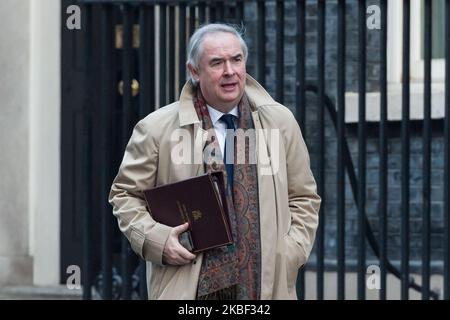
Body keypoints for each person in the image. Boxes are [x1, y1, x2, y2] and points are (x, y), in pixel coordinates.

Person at [109, 23, 320, 300]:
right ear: (194, 71)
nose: (230, 71)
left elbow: (304, 196)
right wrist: (157, 240)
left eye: (236, 60)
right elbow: (125, 196)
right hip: (188, 289)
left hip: (265, 289)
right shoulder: (156, 129)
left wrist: (289, 253)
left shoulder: (279, 123)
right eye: (217, 63)